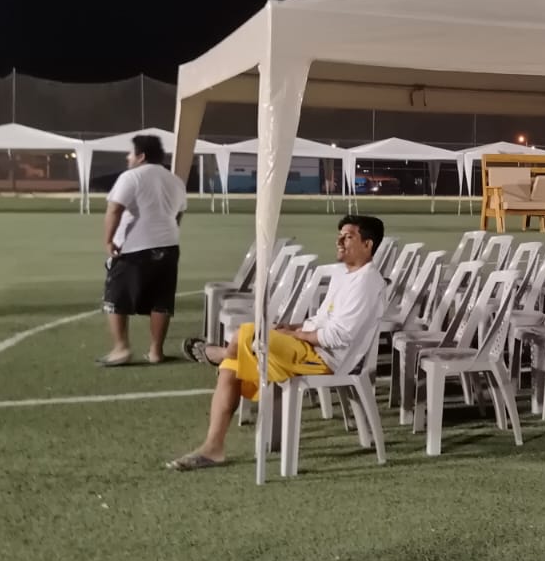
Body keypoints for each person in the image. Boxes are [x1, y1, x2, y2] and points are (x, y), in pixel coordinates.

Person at [167, 214, 386, 471]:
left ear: (367, 244)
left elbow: (339, 336)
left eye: (348, 237)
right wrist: (294, 328)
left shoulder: (367, 282)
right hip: (311, 347)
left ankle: (220, 353)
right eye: (339, 236)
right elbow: (321, 320)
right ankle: (213, 447)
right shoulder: (344, 274)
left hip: (326, 359)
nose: (339, 242)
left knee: (249, 333)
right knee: (232, 366)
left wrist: (296, 336)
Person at [99, 134, 189, 366]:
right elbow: (178, 214)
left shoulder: (131, 177)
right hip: (168, 246)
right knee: (161, 300)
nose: (127, 157)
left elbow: (114, 209)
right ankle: (156, 351)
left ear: (141, 156)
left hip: (134, 247)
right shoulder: (175, 181)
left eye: (131, 153)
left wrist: (108, 240)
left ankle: (121, 348)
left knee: (117, 296)